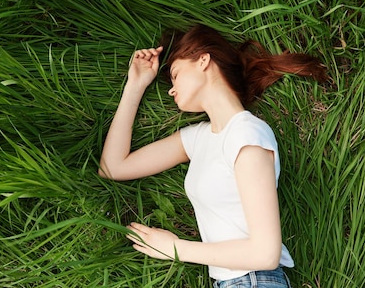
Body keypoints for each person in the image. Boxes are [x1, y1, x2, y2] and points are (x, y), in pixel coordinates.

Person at [99, 24, 327, 287]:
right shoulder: (199, 138)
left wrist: (175, 248)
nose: (172, 90)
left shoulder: (246, 134)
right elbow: (113, 167)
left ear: (203, 60)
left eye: (175, 75)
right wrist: (136, 85)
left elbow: (265, 253)